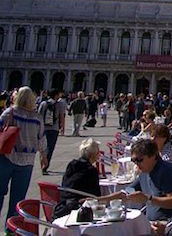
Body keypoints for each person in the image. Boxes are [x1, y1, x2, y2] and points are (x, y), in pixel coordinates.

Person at [99, 139, 172, 221]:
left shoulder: (166, 171)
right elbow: (127, 192)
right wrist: (100, 200)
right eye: (134, 160)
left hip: (165, 223)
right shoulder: (145, 172)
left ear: (153, 156)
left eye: (139, 160)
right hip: (150, 222)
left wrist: (147, 199)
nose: (136, 164)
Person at [0, 87, 48, 229]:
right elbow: (41, 140)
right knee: (18, 198)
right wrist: (44, 156)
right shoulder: (37, 118)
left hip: (6, 157)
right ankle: (11, 229)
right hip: (27, 162)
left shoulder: (10, 113)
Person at [53, 138, 101, 218]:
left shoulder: (72, 165)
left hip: (62, 206)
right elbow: (96, 196)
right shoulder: (91, 170)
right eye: (98, 153)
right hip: (79, 208)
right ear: (93, 155)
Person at [38, 89, 62, 175]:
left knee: (42, 148)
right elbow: (61, 116)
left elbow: (39, 115)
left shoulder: (43, 103)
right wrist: (62, 127)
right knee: (50, 148)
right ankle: (45, 167)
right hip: (54, 129)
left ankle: (42, 165)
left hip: (43, 128)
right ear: (55, 95)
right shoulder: (58, 105)